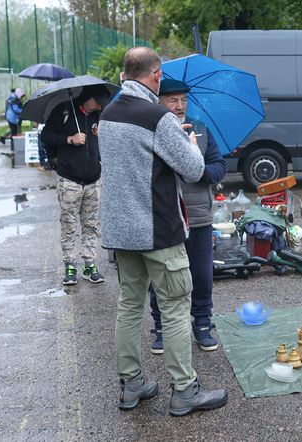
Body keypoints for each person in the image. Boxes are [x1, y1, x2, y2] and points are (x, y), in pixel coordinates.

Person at [98, 47, 228, 416]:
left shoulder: (108, 115)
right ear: (155, 76)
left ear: (125, 73)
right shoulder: (158, 118)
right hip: (157, 228)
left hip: (121, 232)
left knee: (129, 305)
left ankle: (131, 384)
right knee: (173, 307)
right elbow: (193, 169)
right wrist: (189, 145)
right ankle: (185, 389)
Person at [149, 79, 227, 355]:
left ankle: (203, 323)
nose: (179, 106)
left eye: (183, 100)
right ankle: (160, 327)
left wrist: (200, 168)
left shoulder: (201, 129)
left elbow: (219, 165)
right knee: (162, 275)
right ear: (159, 101)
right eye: (172, 100)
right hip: (165, 216)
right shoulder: (151, 130)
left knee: (202, 274)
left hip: (198, 215)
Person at [41, 85, 109, 285]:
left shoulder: (101, 115)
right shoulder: (63, 110)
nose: (98, 106)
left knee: (91, 225)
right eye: (96, 102)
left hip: (94, 180)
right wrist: (69, 139)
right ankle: (70, 266)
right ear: (87, 97)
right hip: (69, 179)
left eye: (101, 103)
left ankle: (90, 264)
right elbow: (46, 137)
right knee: (69, 225)